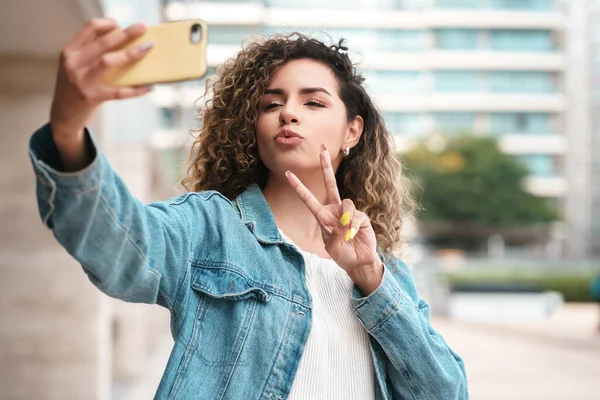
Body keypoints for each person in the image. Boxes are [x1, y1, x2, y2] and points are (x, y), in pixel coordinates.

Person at [29, 19, 469, 399]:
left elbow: (445, 392)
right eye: (270, 103)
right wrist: (68, 129)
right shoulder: (210, 228)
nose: (288, 113)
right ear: (252, 128)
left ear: (352, 131)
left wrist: (371, 279)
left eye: (312, 102)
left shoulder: (387, 275)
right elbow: (120, 248)